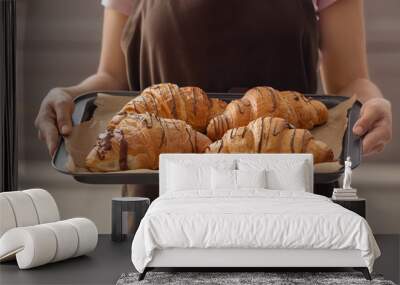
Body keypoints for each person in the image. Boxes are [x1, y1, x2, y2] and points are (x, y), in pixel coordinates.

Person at [35, 0, 392, 199]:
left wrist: (371, 103)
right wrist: (69, 95)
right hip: (160, 207)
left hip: (288, 202)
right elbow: (112, 77)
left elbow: (349, 80)